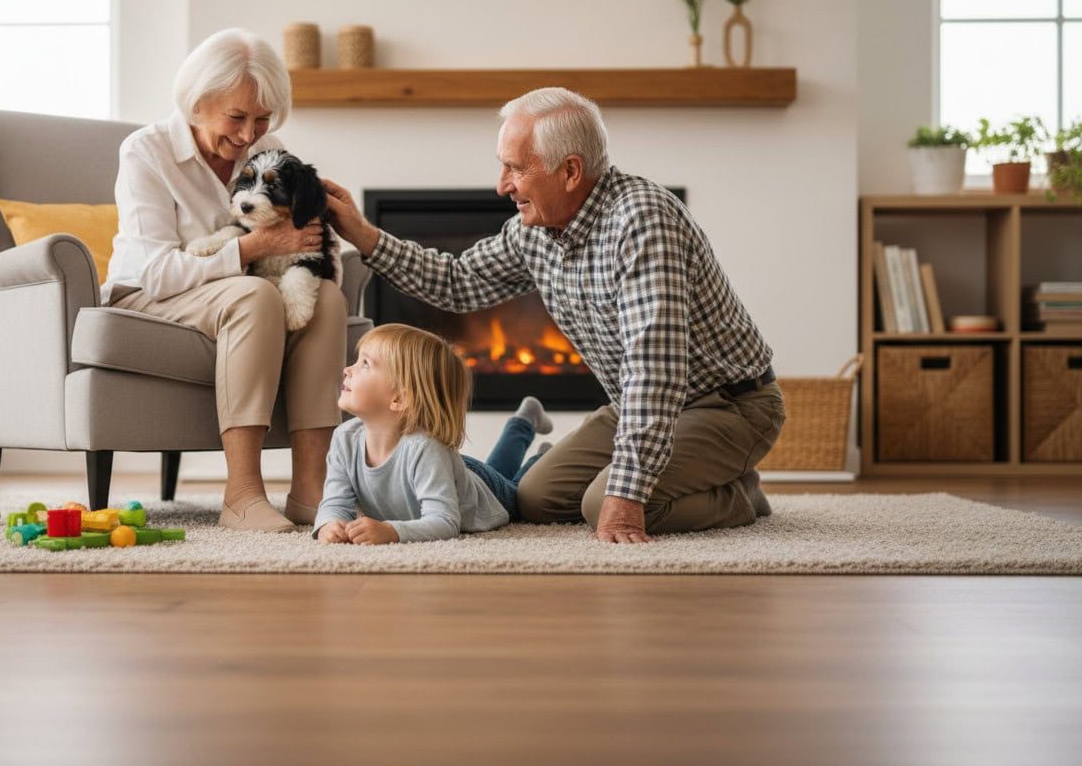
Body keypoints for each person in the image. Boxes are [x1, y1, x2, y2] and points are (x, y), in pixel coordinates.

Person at [321, 87, 784, 545]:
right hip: (638, 407)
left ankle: (738, 497)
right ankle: (686, 479)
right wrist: (363, 235)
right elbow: (458, 281)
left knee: (604, 503)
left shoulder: (642, 221)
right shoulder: (537, 231)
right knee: (536, 499)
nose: (502, 185)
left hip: (729, 405)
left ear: (570, 171)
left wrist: (626, 498)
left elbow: (654, 373)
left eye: (515, 168)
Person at [103, 28, 346, 533]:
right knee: (254, 295)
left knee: (325, 299)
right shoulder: (145, 152)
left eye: (262, 118)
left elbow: (301, 236)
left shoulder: (266, 149)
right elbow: (156, 271)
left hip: (234, 294)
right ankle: (242, 495)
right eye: (236, 117)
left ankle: (312, 492)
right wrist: (254, 248)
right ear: (196, 104)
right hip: (150, 297)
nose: (249, 134)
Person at [314, 324, 553, 545]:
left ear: (399, 398)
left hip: (485, 491)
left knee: (520, 494)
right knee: (497, 468)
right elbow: (335, 501)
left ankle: (543, 457)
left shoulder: (425, 449)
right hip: (449, 471)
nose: (347, 369)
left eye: (365, 364)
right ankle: (525, 419)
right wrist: (329, 523)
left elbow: (445, 521)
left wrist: (391, 532)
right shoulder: (344, 438)